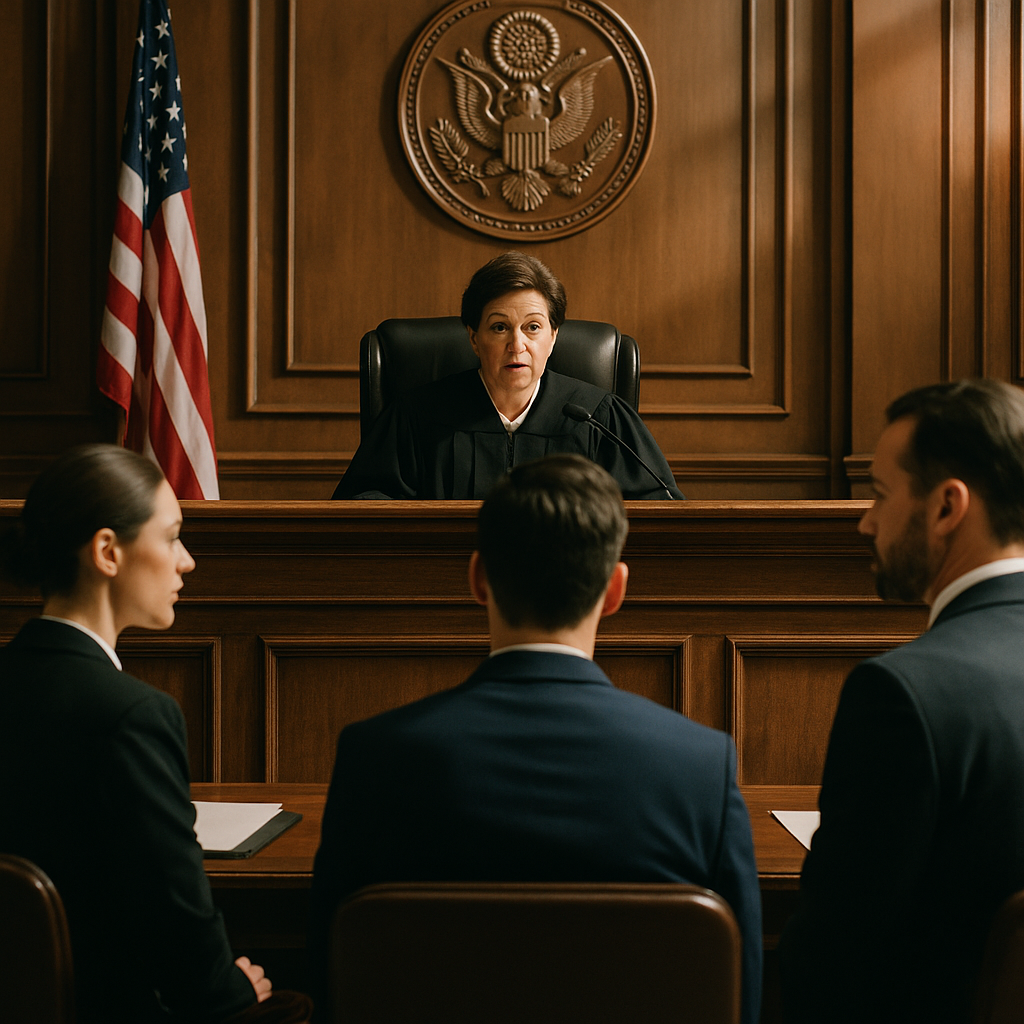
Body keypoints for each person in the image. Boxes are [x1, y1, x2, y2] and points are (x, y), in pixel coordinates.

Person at [311, 454, 759, 1023]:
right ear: (616, 589)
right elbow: (736, 999)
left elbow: (333, 986)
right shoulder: (702, 769)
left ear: (477, 578)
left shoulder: (373, 758)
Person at [0, 445, 311, 1024]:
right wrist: (232, 990)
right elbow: (176, 923)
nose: (187, 560)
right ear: (108, 552)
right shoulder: (133, 714)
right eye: (171, 537)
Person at [779, 379, 1024, 1024]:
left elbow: (833, 964)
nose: (865, 521)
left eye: (880, 496)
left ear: (947, 507)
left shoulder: (903, 694)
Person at [332, 251, 684, 499]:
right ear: (474, 338)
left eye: (532, 327)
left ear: (553, 337)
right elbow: (364, 503)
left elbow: (658, 509)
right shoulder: (419, 416)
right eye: (500, 327)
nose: (517, 345)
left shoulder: (600, 418)